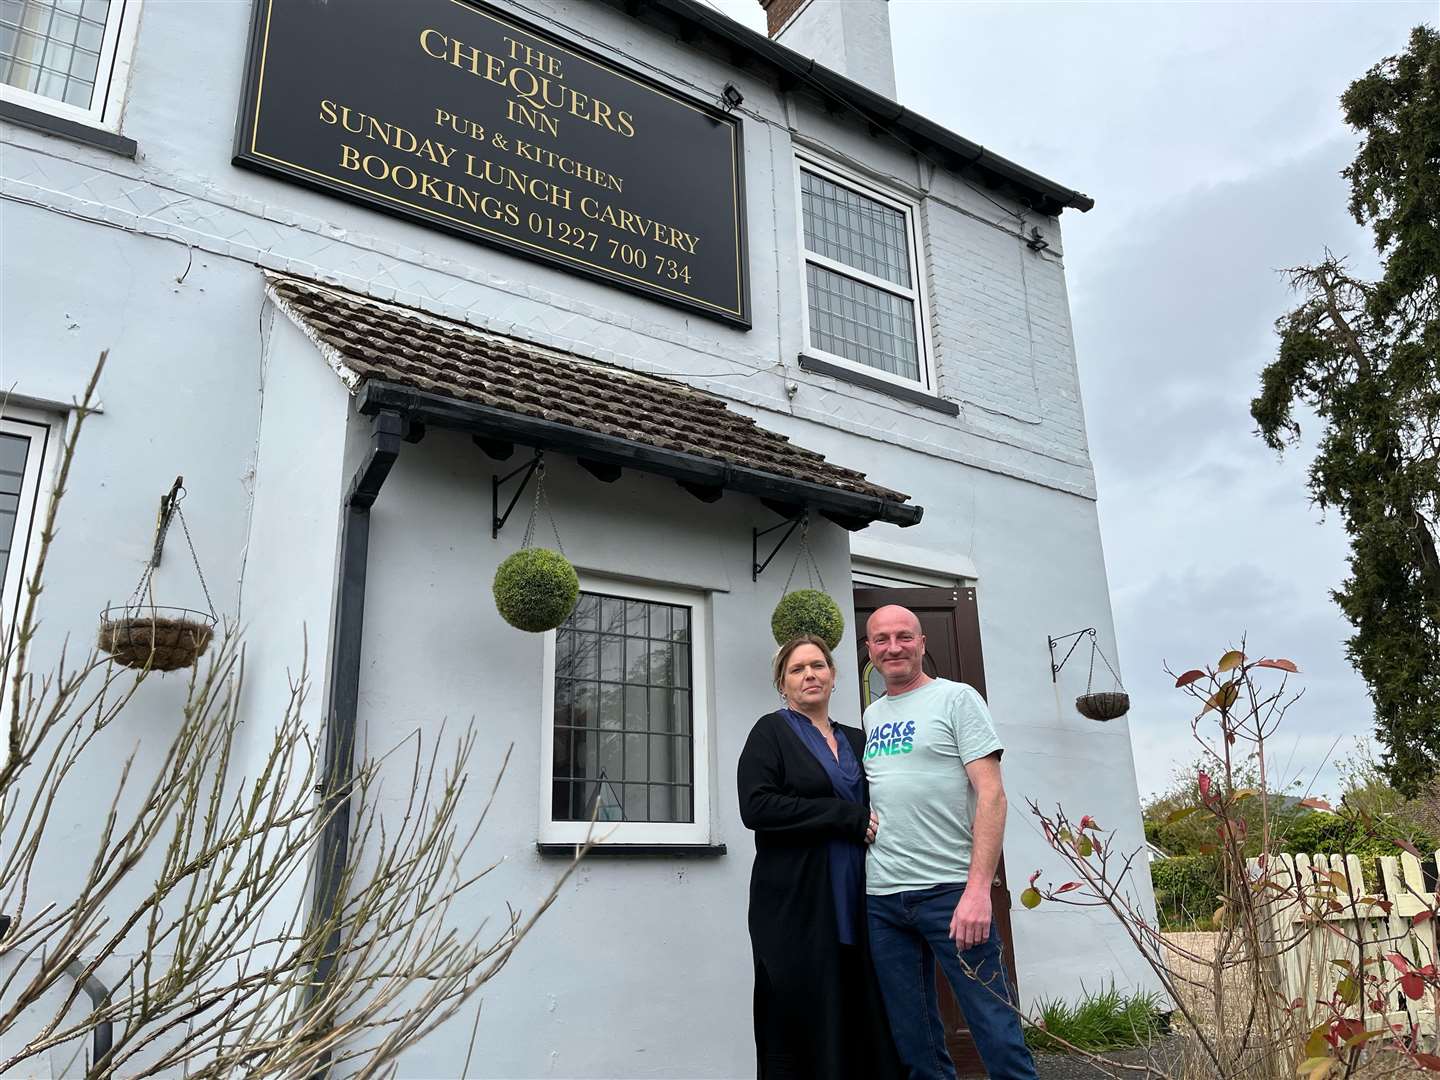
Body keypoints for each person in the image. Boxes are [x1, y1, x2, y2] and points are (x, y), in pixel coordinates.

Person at [861, 605, 1038, 1080]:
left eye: (903, 637)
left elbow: (992, 795)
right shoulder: (872, 714)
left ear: (922, 643)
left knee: (995, 1028)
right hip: (882, 897)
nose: (893, 647)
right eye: (881, 639)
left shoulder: (957, 700)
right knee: (913, 1039)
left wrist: (978, 890)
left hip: (950, 892)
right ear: (869, 650)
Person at [737, 634, 903, 1080]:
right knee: (799, 1014)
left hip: (859, 898)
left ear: (833, 677)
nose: (810, 675)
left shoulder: (858, 738)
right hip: (795, 903)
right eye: (797, 669)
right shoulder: (770, 733)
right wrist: (840, 815)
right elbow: (756, 807)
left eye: (818, 666)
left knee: (860, 1013)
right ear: (783, 684)